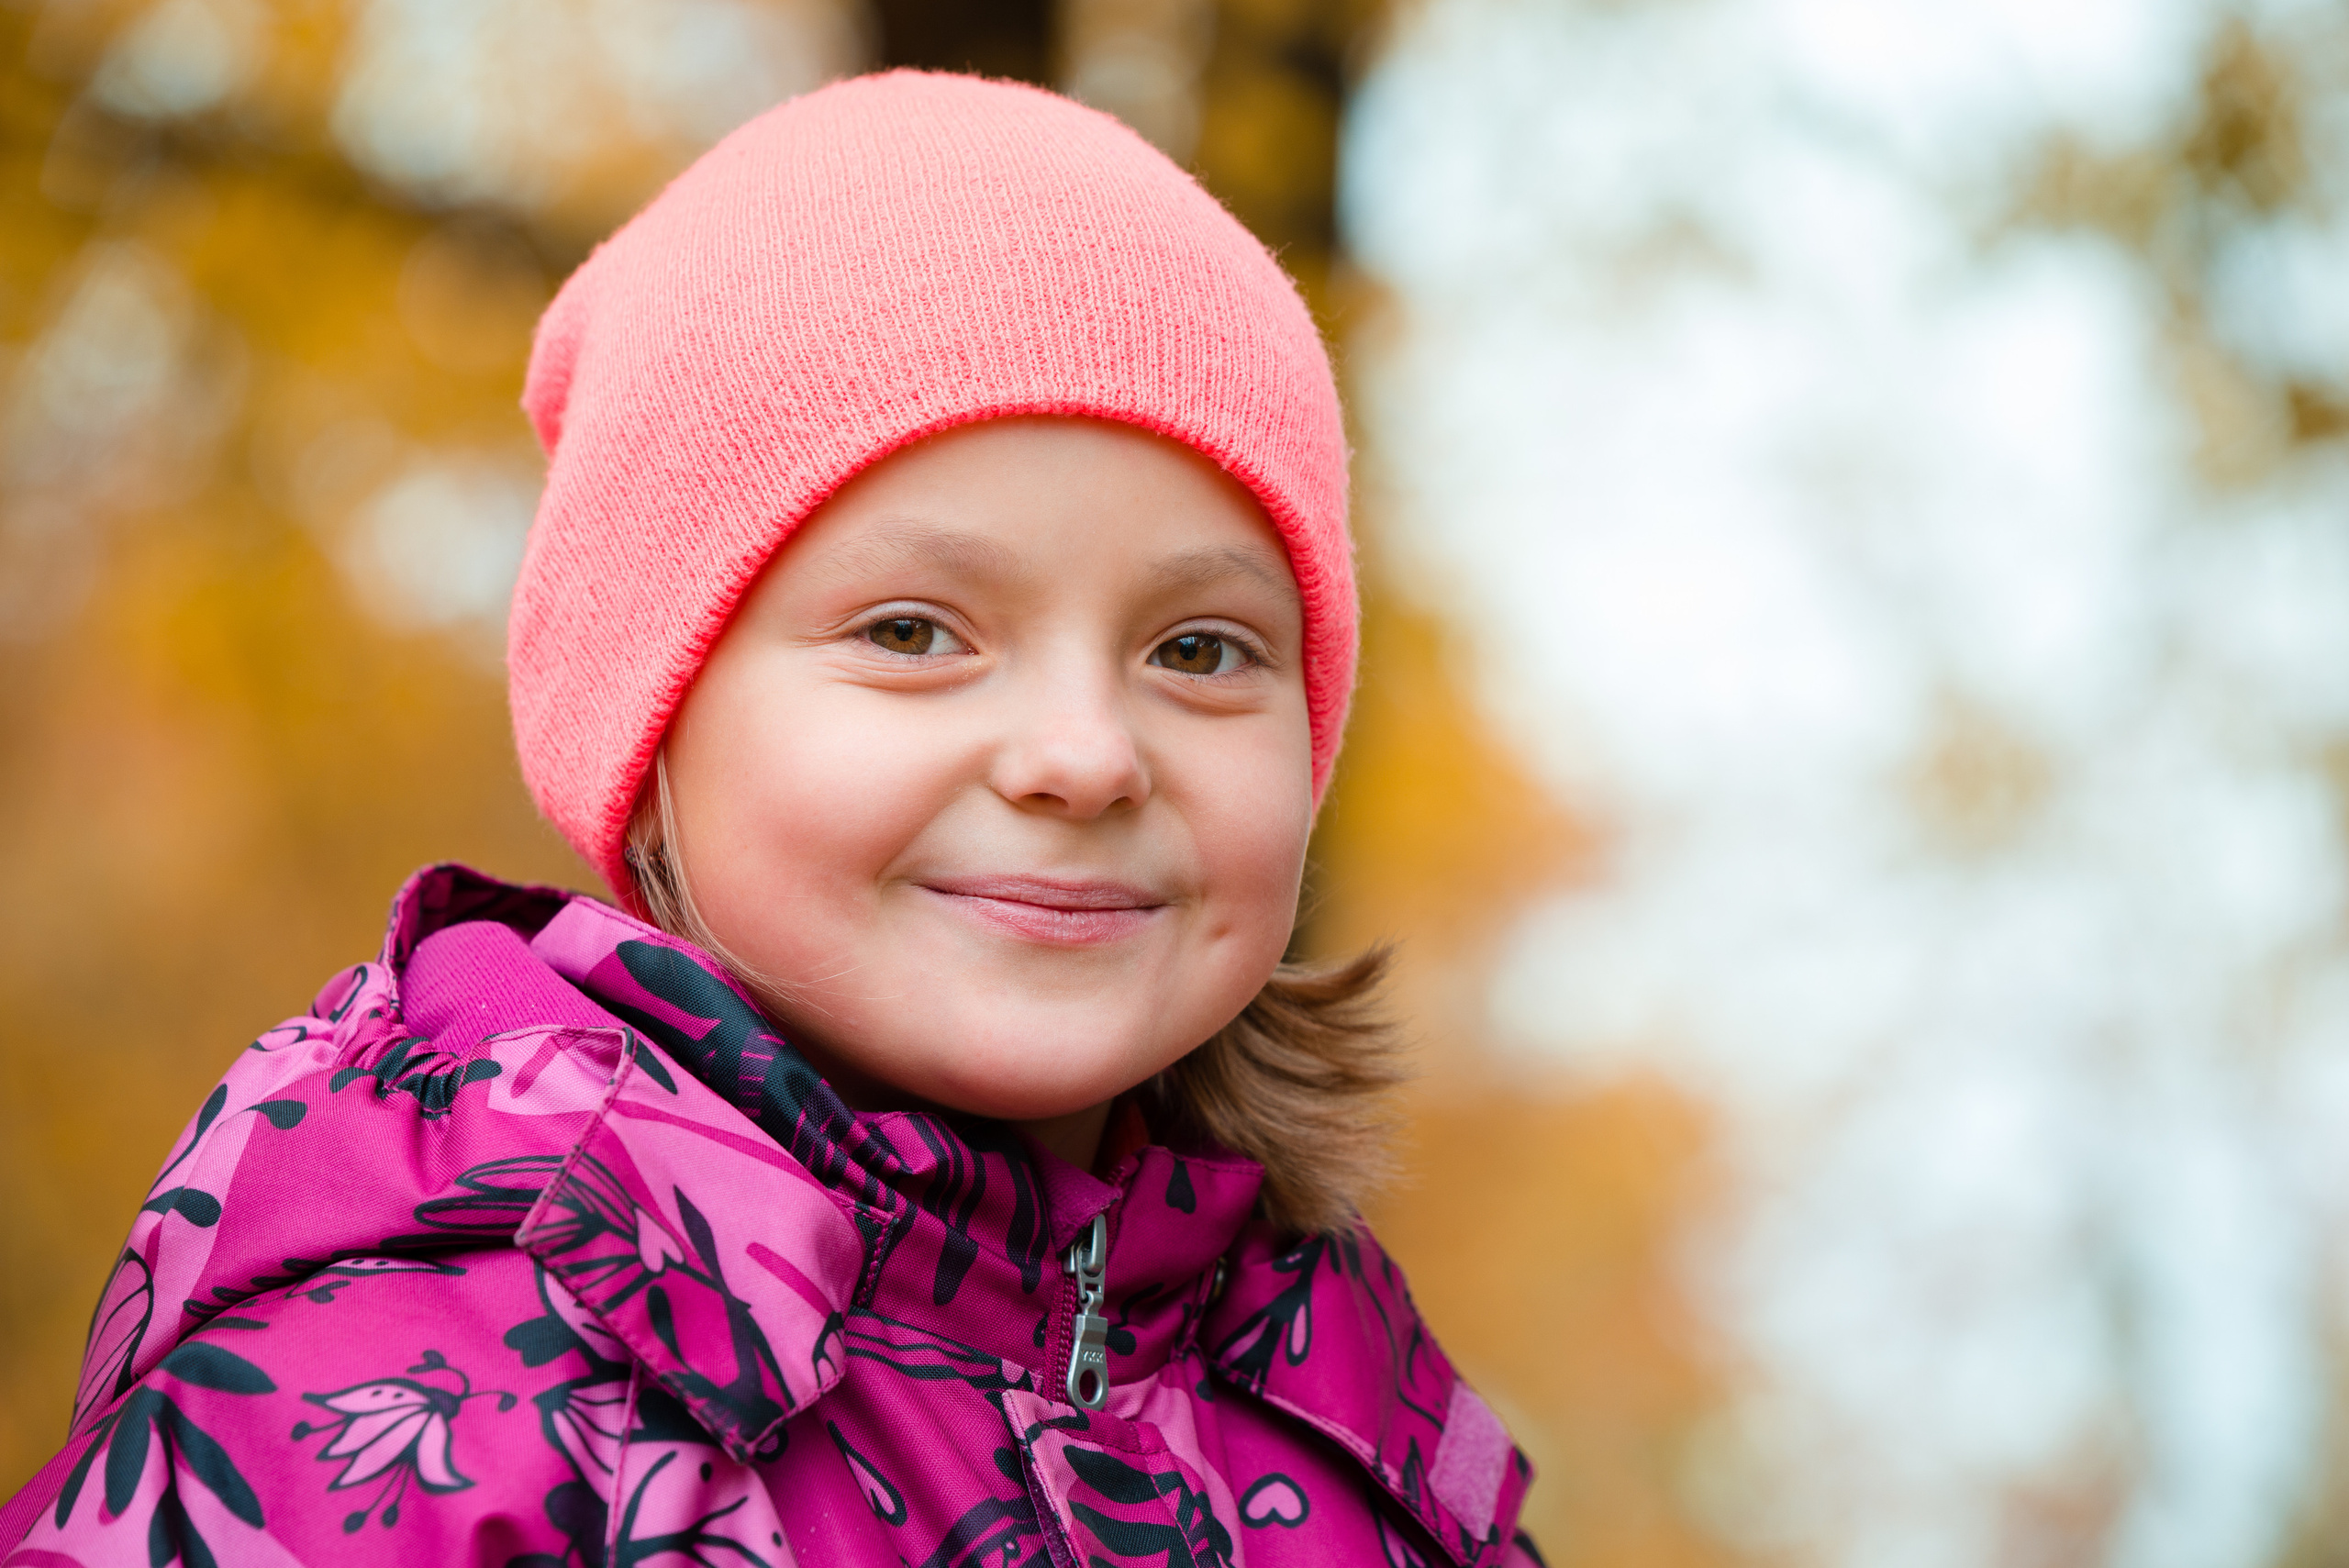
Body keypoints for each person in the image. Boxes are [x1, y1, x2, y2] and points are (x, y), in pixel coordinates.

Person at [0, 72, 1537, 1568]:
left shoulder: (1367, 1437)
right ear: (654, 714)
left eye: (1198, 650)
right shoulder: (407, 1427)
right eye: (913, 631)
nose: (1085, 755)